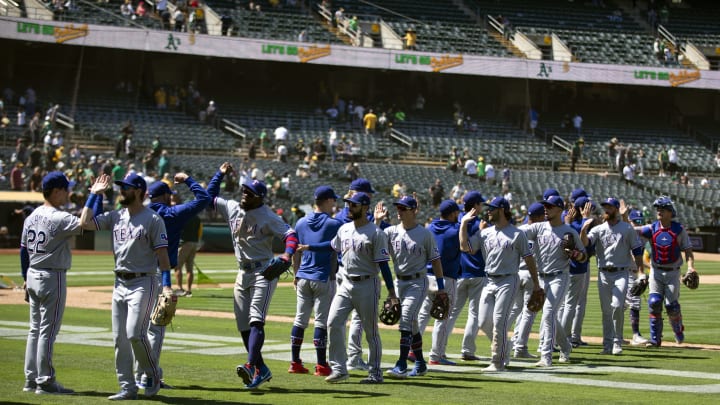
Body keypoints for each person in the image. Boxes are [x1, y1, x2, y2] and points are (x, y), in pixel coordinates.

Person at [206, 162, 298, 389]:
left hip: (263, 272)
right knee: (243, 327)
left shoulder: (268, 216)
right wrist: (219, 174)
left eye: (250, 192)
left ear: (260, 197)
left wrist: (286, 256)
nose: (245, 194)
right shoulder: (232, 207)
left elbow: (291, 235)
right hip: (242, 272)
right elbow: (208, 197)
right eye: (244, 190)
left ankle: (249, 365)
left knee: (256, 320)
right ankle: (261, 368)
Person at [81, 173, 171, 400]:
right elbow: (85, 223)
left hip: (144, 281)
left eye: (126, 188)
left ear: (139, 191)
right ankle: (127, 387)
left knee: (134, 334)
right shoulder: (116, 216)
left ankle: (152, 374)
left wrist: (167, 286)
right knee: (119, 339)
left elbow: (163, 255)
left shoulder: (152, 219)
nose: (121, 191)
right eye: (121, 187)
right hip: (119, 282)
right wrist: (95, 194)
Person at [136, 173, 210, 388]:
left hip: (138, 276)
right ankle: (149, 377)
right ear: (166, 196)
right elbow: (203, 199)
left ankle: (139, 375)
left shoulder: (139, 213)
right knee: (156, 329)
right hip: (160, 275)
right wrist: (188, 179)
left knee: (136, 330)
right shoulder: (172, 213)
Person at [459, 197, 541, 372]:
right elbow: (465, 247)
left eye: (492, 208)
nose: (488, 211)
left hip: (508, 280)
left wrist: (536, 284)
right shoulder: (485, 233)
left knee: (499, 322)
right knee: (482, 321)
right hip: (489, 280)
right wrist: (464, 224)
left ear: (502, 210)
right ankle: (506, 345)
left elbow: (529, 259)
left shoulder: (518, 234)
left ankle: (498, 361)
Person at [325, 192, 397, 384]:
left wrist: (391, 293)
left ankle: (375, 373)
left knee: (370, 331)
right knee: (333, 322)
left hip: (368, 284)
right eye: (348, 204)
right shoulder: (344, 229)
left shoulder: (376, 233)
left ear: (365, 208)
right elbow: (332, 248)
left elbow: (383, 265)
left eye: (354, 205)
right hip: (346, 283)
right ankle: (340, 369)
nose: (349, 207)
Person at [21, 172, 82, 394]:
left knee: (34, 330)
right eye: (66, 189)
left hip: (33, 273)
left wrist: (24, 277)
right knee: (47, 331)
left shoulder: (31, 216)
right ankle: (45, 382)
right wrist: (95, 196)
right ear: (56, 191)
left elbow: (23, 250)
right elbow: (86, 222)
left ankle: (30, 379)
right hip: (51, 276)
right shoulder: (60, 217)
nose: (68, 193)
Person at [380, 196, 445, 379]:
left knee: (406, 318)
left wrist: (441, 288)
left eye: (403, 208)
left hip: (418, 282)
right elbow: (375, 242)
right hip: (399, 282)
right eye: (398, 207)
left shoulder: (425, 234)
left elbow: (436, 261)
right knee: (413, 325)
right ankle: (421, 364)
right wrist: (378, 221)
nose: (399, 211)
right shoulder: (390, 231)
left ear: (413, 210)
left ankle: (401, 365)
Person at [524, 195, 586, 367]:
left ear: (559, 209)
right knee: (550, 317)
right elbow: (517, 233)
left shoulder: (569, 231)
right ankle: (565, 346)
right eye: (545, 206)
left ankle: (546, 356)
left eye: (550, 206)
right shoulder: (537, 227)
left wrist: (575, 254)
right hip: (541, 278)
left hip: (560, 276)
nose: (546, 208)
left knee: (549, 313)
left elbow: (584, 257)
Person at [289, 186, 343, 377]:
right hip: (323, 277)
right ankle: (321, 365)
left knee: (299, 320)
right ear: (327, 201)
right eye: (333, 200)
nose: (335, 204)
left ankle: (295, 362)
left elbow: (295, 250)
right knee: (321, 323)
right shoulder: (333, 224)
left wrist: (296, 274)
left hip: (303, 276)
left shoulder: (301, 222)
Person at [580, 197, 644, 355]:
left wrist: (641, 272)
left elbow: (637, 250)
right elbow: (586, 243)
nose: (606, 210)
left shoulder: (626, 228)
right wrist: (583, 229)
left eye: (609, 207)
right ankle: (607, 344)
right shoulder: (599, 229)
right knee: (606, 310)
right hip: (603, 274)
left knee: (616, 306)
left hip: (622, 272)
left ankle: (617, 341)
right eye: (605, 207)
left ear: (616, 209)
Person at [634, 197, 696, 347]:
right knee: (654, 303)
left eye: (662, 208)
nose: (659, 211)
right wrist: (622, 219)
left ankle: (678, 329)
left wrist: (690, 267)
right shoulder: (652, 228)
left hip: (673, 272)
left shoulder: (679, 230)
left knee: (671, 306)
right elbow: (632, 230)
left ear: (670, 212)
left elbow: (688, 251)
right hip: (656, 271)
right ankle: (655, 339)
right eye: (658, 209)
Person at [417, 199, 459, 368]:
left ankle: (413, 350)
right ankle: (436, 355)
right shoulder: (455, 230)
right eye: (457, 212)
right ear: (452, 213)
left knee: (423, 315)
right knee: (442, 317)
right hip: (446, 277)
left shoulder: (430, 228)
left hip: (427, 276)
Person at [448, 191, 487, 362]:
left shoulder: (456, 221)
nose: (482, 207)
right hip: (477, 273)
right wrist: (482, 232)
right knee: (474, 314)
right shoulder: (480, 224)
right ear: (475, 205)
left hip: (458, 272)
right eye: (480, 204)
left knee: (451, 313)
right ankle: (467, 350)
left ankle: (439, 348)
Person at [509, 202, 544, 359]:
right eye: (542, 215)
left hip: (516, 273)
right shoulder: (540, 232)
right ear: (537, 217)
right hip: (531, 274)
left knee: (515, 310)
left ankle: (508, 339)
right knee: (529, 312)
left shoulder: (517, 231)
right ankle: (520, 347)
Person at [560, 196, 595, 348]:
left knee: (565, 305)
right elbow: (587, 248)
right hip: (578, 268)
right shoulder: (584, 224)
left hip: (566, 268)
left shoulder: (567, 224)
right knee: (570, 305)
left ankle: (562, 337)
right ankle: (563, 338)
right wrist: (586, 221)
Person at [625, 209, 649, 346]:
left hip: (636, 272)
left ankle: (615, 335)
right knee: (634, 302)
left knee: (623, 305)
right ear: (630, 221)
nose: (638, 224)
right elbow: (635, 255)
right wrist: (649, 267)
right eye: (636, 221)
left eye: (640, 221)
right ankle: (636, 335)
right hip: (627, 272)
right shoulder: (627, 233)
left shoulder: (643, 235)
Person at [176, 212, 202, 296]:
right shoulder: (197, 218)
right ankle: (189, 290)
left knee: (178, 267)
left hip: (184, 243)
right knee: (189, 269)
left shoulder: (183, 217)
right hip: (194, 243)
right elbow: (200, 231)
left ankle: (180, 289)